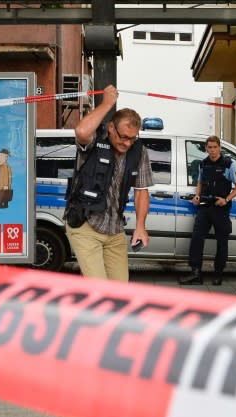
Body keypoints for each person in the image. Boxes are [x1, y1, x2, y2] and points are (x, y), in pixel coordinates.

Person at [63, 84, 152, 281]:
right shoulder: (95, 140)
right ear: (111, 127)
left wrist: (140, 226)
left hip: (115, 230)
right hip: (86, 224)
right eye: (123, 137)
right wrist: (107, 103)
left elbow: (141, 191)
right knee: (99, 289)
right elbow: (81, 131)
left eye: (132, 138)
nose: (127, 143)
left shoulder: (139, 151)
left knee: (119, 292)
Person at [179, 135, 236, 286]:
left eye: (215, 147)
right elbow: (200, 181)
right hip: (205, 207)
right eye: (210, 148)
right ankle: (196, 273)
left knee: (222, 241)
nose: (213, 150)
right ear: (206, 148)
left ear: (219, 147)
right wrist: (197, 195)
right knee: (196, 238)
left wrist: (226, 199)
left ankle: (218, 274)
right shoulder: (203, 164)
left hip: (221, 208)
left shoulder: (229, 164)